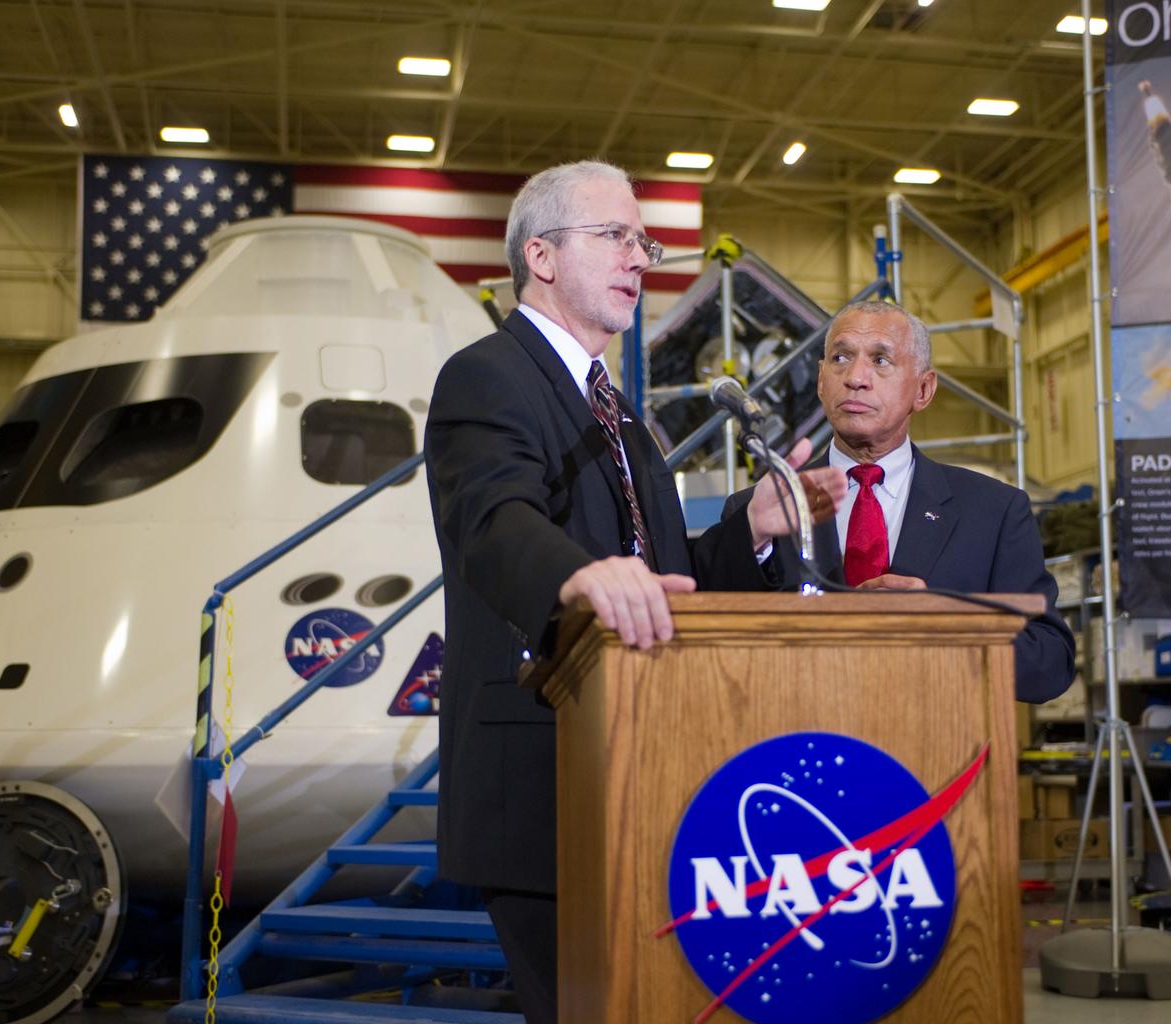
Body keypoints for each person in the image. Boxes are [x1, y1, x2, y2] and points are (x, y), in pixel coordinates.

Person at [423, 160, 846, 1023]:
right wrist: (576, 575)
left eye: (642, 241)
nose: (639, 257)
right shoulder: (486, 375)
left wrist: (752, 526)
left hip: (647, 766)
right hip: (543, 780)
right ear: (541, 255)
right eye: (614, 236)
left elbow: (663, 572)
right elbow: (491, 520)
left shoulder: (618, 413)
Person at [738, 299, 1075, 704]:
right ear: (821, 380)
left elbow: (1050, 664)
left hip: (938, 740)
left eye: (881, 360)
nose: (856, 378)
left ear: (923, 389)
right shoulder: (756, 514)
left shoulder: (994, 512)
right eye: (841, 358)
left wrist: (944, 625)